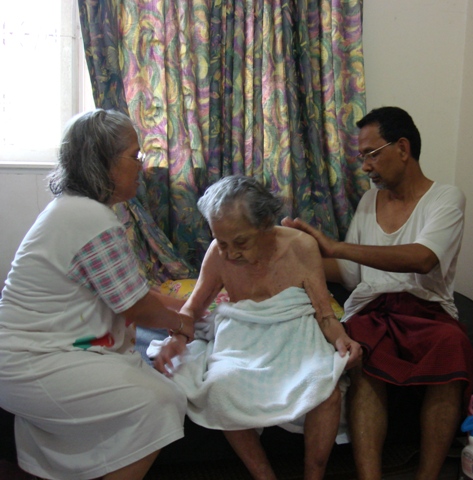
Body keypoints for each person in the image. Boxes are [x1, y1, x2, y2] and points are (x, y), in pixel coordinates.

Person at [0, 109, 195, 480]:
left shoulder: (75, 210)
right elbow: (137, 306)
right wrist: (183, 323)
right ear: (104, 162)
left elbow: (132, 290)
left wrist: (190, 305)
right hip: (32, 359)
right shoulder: (90, 218)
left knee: (147, 387)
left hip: (43, 350)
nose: (141, 165)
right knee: (162, 401)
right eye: (134, 156)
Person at [282, 106, 473, 480]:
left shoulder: (447, 198)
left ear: (402, 148)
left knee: (453, 345)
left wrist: (336, 246)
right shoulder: (370, 201)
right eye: (362, 157)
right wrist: (297, 257)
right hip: (372, 307)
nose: (365, 166)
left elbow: (423, 259)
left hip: (427, 307)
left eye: (371, 154)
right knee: (361, 353)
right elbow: (351, 273)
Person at [152, 175, 362, 480]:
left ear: (265, 223)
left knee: (325, 386)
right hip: (243, 334)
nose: (230, 254)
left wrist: (342, 340)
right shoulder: (217, 254)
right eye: (222, 242)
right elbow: (193, 307)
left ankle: (313, 475)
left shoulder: (301, 246)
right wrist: (179, 336)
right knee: (220, 387)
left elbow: (325, 314)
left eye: (240, 242)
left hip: (294, 333)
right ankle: (264, 476)